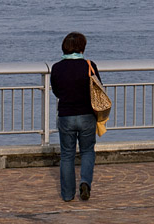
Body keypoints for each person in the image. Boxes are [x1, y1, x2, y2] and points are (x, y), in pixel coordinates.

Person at [50, 31, 101, 202]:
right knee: (87, 151)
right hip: (87, 115)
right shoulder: (89, 65)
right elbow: (98, 89)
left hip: (66, 115)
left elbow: (56, 91)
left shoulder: (57, 68)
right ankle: (85, 182)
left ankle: (67, 194)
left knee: (67, 155)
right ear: (82, 47)